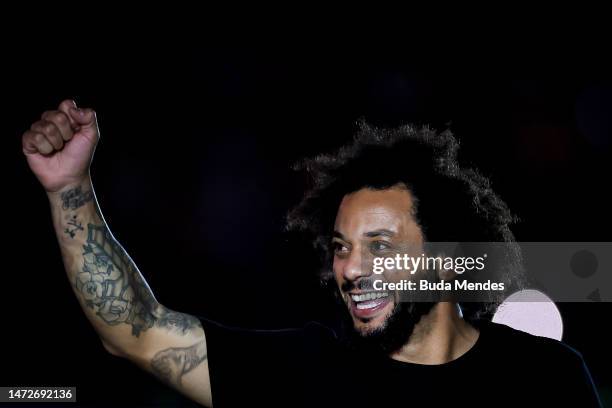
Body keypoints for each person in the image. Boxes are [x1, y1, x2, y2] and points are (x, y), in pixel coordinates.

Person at [22, 100, 602, 407]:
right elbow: (135, 331)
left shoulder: (545, 379)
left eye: (380, 245)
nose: (350, 269)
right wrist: (68, 187)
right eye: (342, 248)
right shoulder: (306, 376)